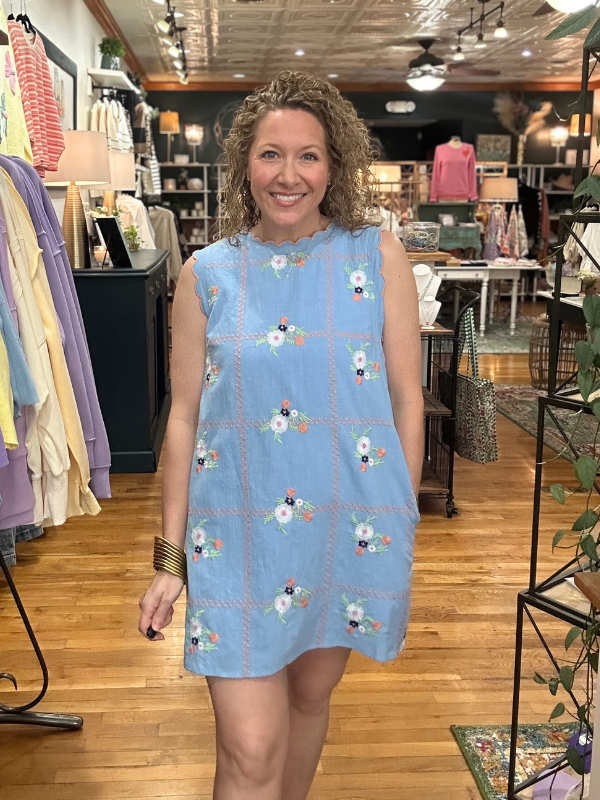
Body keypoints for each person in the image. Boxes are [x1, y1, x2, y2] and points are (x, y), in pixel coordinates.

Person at [138, 71, 423, 800]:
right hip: (234, 539)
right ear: (244, 166)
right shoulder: (207, 275)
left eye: (308, 156)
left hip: (345, 529)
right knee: (250, 747)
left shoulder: (375, 256)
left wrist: (401, 516)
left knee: (308, 701)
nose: (288, 175)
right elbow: (183, 418)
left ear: (334, 165)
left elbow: (404, 395)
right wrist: (170, 560)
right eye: (270, 155)